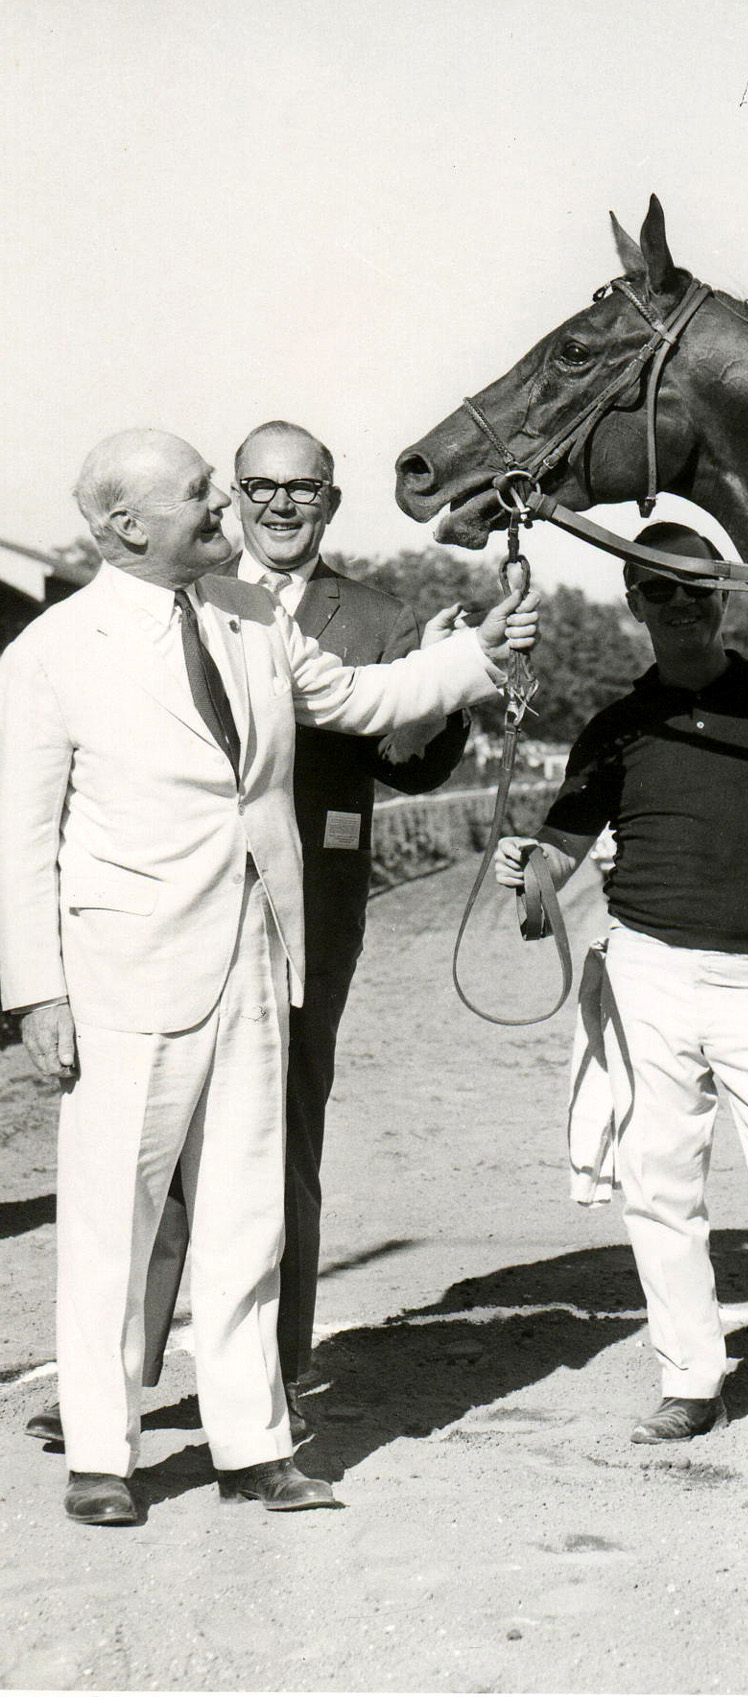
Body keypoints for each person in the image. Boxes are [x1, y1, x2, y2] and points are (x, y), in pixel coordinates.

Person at [0, 428, 533, 1525]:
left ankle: (254, 1441)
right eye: (199, 490)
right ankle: (104, 1452)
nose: (220, 503)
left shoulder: (252, 619)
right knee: (118, 1216)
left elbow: (363, 700)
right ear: (123, 527)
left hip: (257, 951)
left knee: (248, 1209)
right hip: (121, 974)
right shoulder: (51, 651)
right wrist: (35, 992)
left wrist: (479, 651)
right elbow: (16, 839)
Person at [494, 522, 748, 1448]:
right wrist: (527, 868)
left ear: (724, 595)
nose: (680, 604)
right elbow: (560, 853)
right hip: (650, 972)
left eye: (697, 588)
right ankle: (690, 1380)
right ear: (636, 604)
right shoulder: (616, 727)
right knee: (659, 1188)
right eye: (659, 591)